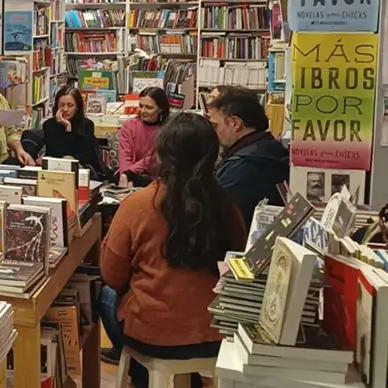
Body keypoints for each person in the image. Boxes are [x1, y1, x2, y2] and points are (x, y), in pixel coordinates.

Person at [99, 113, 246, 387]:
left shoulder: (139, 204)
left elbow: (112, 274)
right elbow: (235, 263)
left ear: (162, 153)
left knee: (105, 294)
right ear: (212, 155)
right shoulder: (228, 207)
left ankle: (143, 377)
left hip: (154, 334)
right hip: (216, 332)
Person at [207, 86, 289, 227]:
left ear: (235, 123)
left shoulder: (242, 167)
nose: (214, 133)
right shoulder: (270, 148)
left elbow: (215, 215)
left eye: (216, 126)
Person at [42, 86, 107, 179]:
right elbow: (55, 153)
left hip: (82, 170)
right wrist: (67, 128)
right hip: (56, 169)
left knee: (68, 160)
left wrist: (68, 128)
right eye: (62, 105)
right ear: (57, 106)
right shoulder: (49, 125)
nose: (65, 109)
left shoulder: (87, 125)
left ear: (77, 107)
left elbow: (86, 155)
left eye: (70, 105)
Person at [117, 86, 168, 187]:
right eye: (141, 106)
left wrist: (130, 173)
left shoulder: (167, 128)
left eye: (149, 107)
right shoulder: (129, 125)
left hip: (156, 177)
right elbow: (124, 155)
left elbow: (155, 158)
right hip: (128, 174)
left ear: (161, 109)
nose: (143, 111)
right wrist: (125, 175)